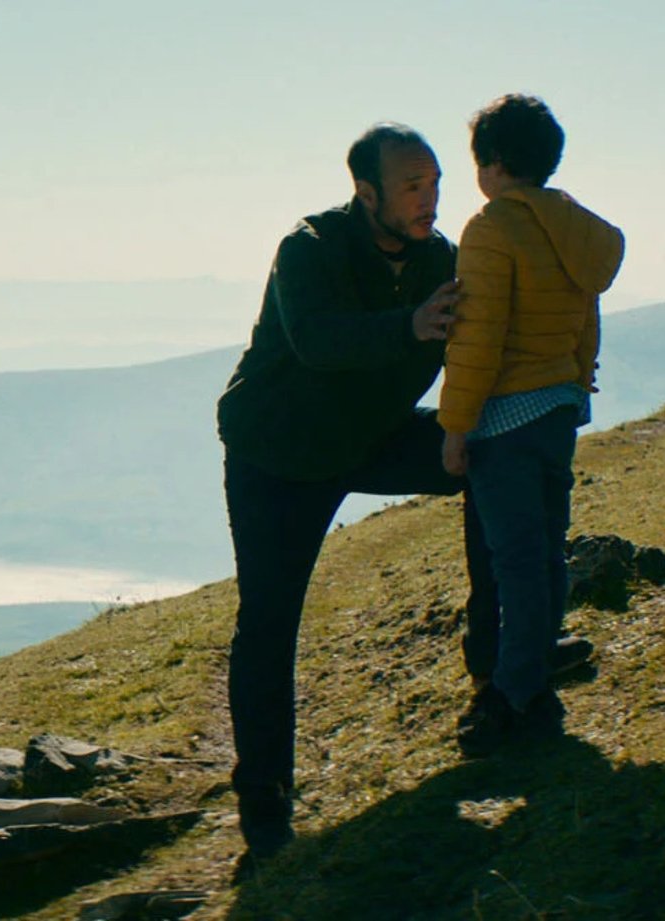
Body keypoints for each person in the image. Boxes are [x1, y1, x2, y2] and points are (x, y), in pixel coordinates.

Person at [215, 123, 493, 865]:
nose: (429, 196)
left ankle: (496, 671)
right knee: (268, 625)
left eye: (434, 180)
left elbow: (478, 337)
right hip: (278, 454)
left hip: (370, 438)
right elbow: (317, 339)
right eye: (410, 184)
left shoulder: (438, 256)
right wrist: (407, 325)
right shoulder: (307, 247)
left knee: (495, 458)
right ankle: (264, 801)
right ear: (364, 192)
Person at [441, 95, 624, 758]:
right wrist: (577, 380)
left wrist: (455, 425)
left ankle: (517, 691)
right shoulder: (576, 229)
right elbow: (584, 316)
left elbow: (476, 338)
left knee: (513, 560)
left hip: (504, 418)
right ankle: (533, 669)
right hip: (556, 410)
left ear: (490, 164)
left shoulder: (490, 228)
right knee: (544, 550)